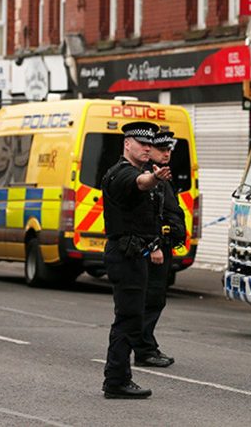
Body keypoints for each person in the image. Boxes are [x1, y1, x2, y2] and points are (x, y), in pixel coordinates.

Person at [100, 121, 172, 399]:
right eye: (142, 143)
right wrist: (154, 179)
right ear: (127, 143)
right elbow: (140, 183)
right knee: (128, 319)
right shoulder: (121, 174)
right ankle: (116, 380)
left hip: (135, 254)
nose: (147, 148)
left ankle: (118, 378)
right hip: (125, 255)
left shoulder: (139, 171)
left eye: (149, 144)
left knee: (131, 318)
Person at [134, 130, 187, 368]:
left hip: (163, 246)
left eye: (169, 150)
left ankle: (145, 346)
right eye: (162, 149)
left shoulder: (161, 175)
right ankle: (144, 349)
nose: (167, 154)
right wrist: (154, 245)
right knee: (150, 299)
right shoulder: (149, 177)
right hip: (152, 248)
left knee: (154, 299)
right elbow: (147, 215)